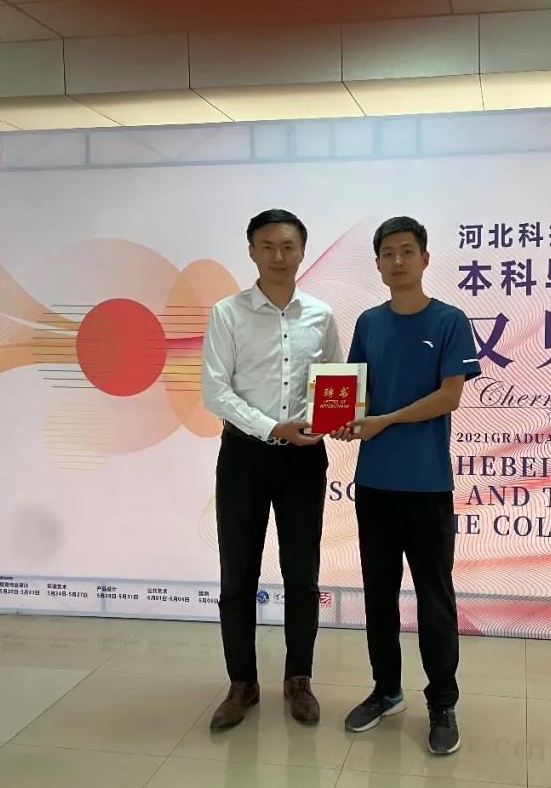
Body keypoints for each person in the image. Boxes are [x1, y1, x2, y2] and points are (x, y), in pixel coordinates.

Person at [334, 215, 481, 756]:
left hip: (426, 485)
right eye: (387, 253)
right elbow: (355, 394)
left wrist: (385, 421)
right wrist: (341, 420)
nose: (397, 261)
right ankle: (386, 691)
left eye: (406, 251)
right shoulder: (369, 322)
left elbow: (449, 396)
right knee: (378, 594)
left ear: (424, 258)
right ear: (377, 264)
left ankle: (442, 702)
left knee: (434, 597)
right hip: (374, 483)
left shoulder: (449, 320)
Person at [201, 208, 342, 730]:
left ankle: (298, 679)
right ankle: (242, 683)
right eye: (267, 246)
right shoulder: (227, 313)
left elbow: (335, 381)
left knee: (302, 574)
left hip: (304, 459)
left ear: (302, 250)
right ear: (252, 252)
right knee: (237, 573)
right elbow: (215, 391)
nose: (278, 256)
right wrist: (271, 427)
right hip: (244, 456)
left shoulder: (320, 315)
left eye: (287, 246)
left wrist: (335, 418)